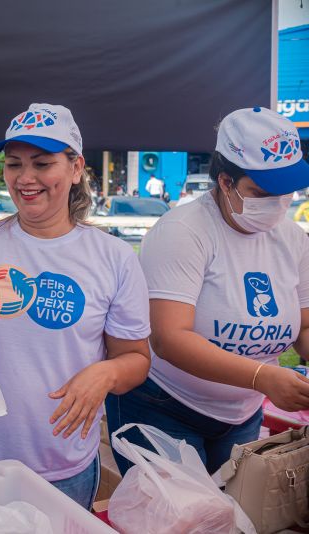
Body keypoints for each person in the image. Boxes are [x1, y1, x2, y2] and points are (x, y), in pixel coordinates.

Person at [0, 103, 151, 510]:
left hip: (63, 467)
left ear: (76, 168)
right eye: (14, 164)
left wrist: (105, 372)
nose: (25, 178)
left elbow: (137, 359)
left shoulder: (114, 257)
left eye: (42, 163)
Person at [107, 107, 309, 476]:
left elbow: (305, 326)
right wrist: (262, 377)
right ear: (225, 181)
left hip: (242, 413)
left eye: (286, 192)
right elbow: (170, 338)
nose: (278, 203)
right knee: (178, 510)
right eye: (262, 193)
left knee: (232, 506)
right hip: (164, 405)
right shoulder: (182, 232)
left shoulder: (293, 240)